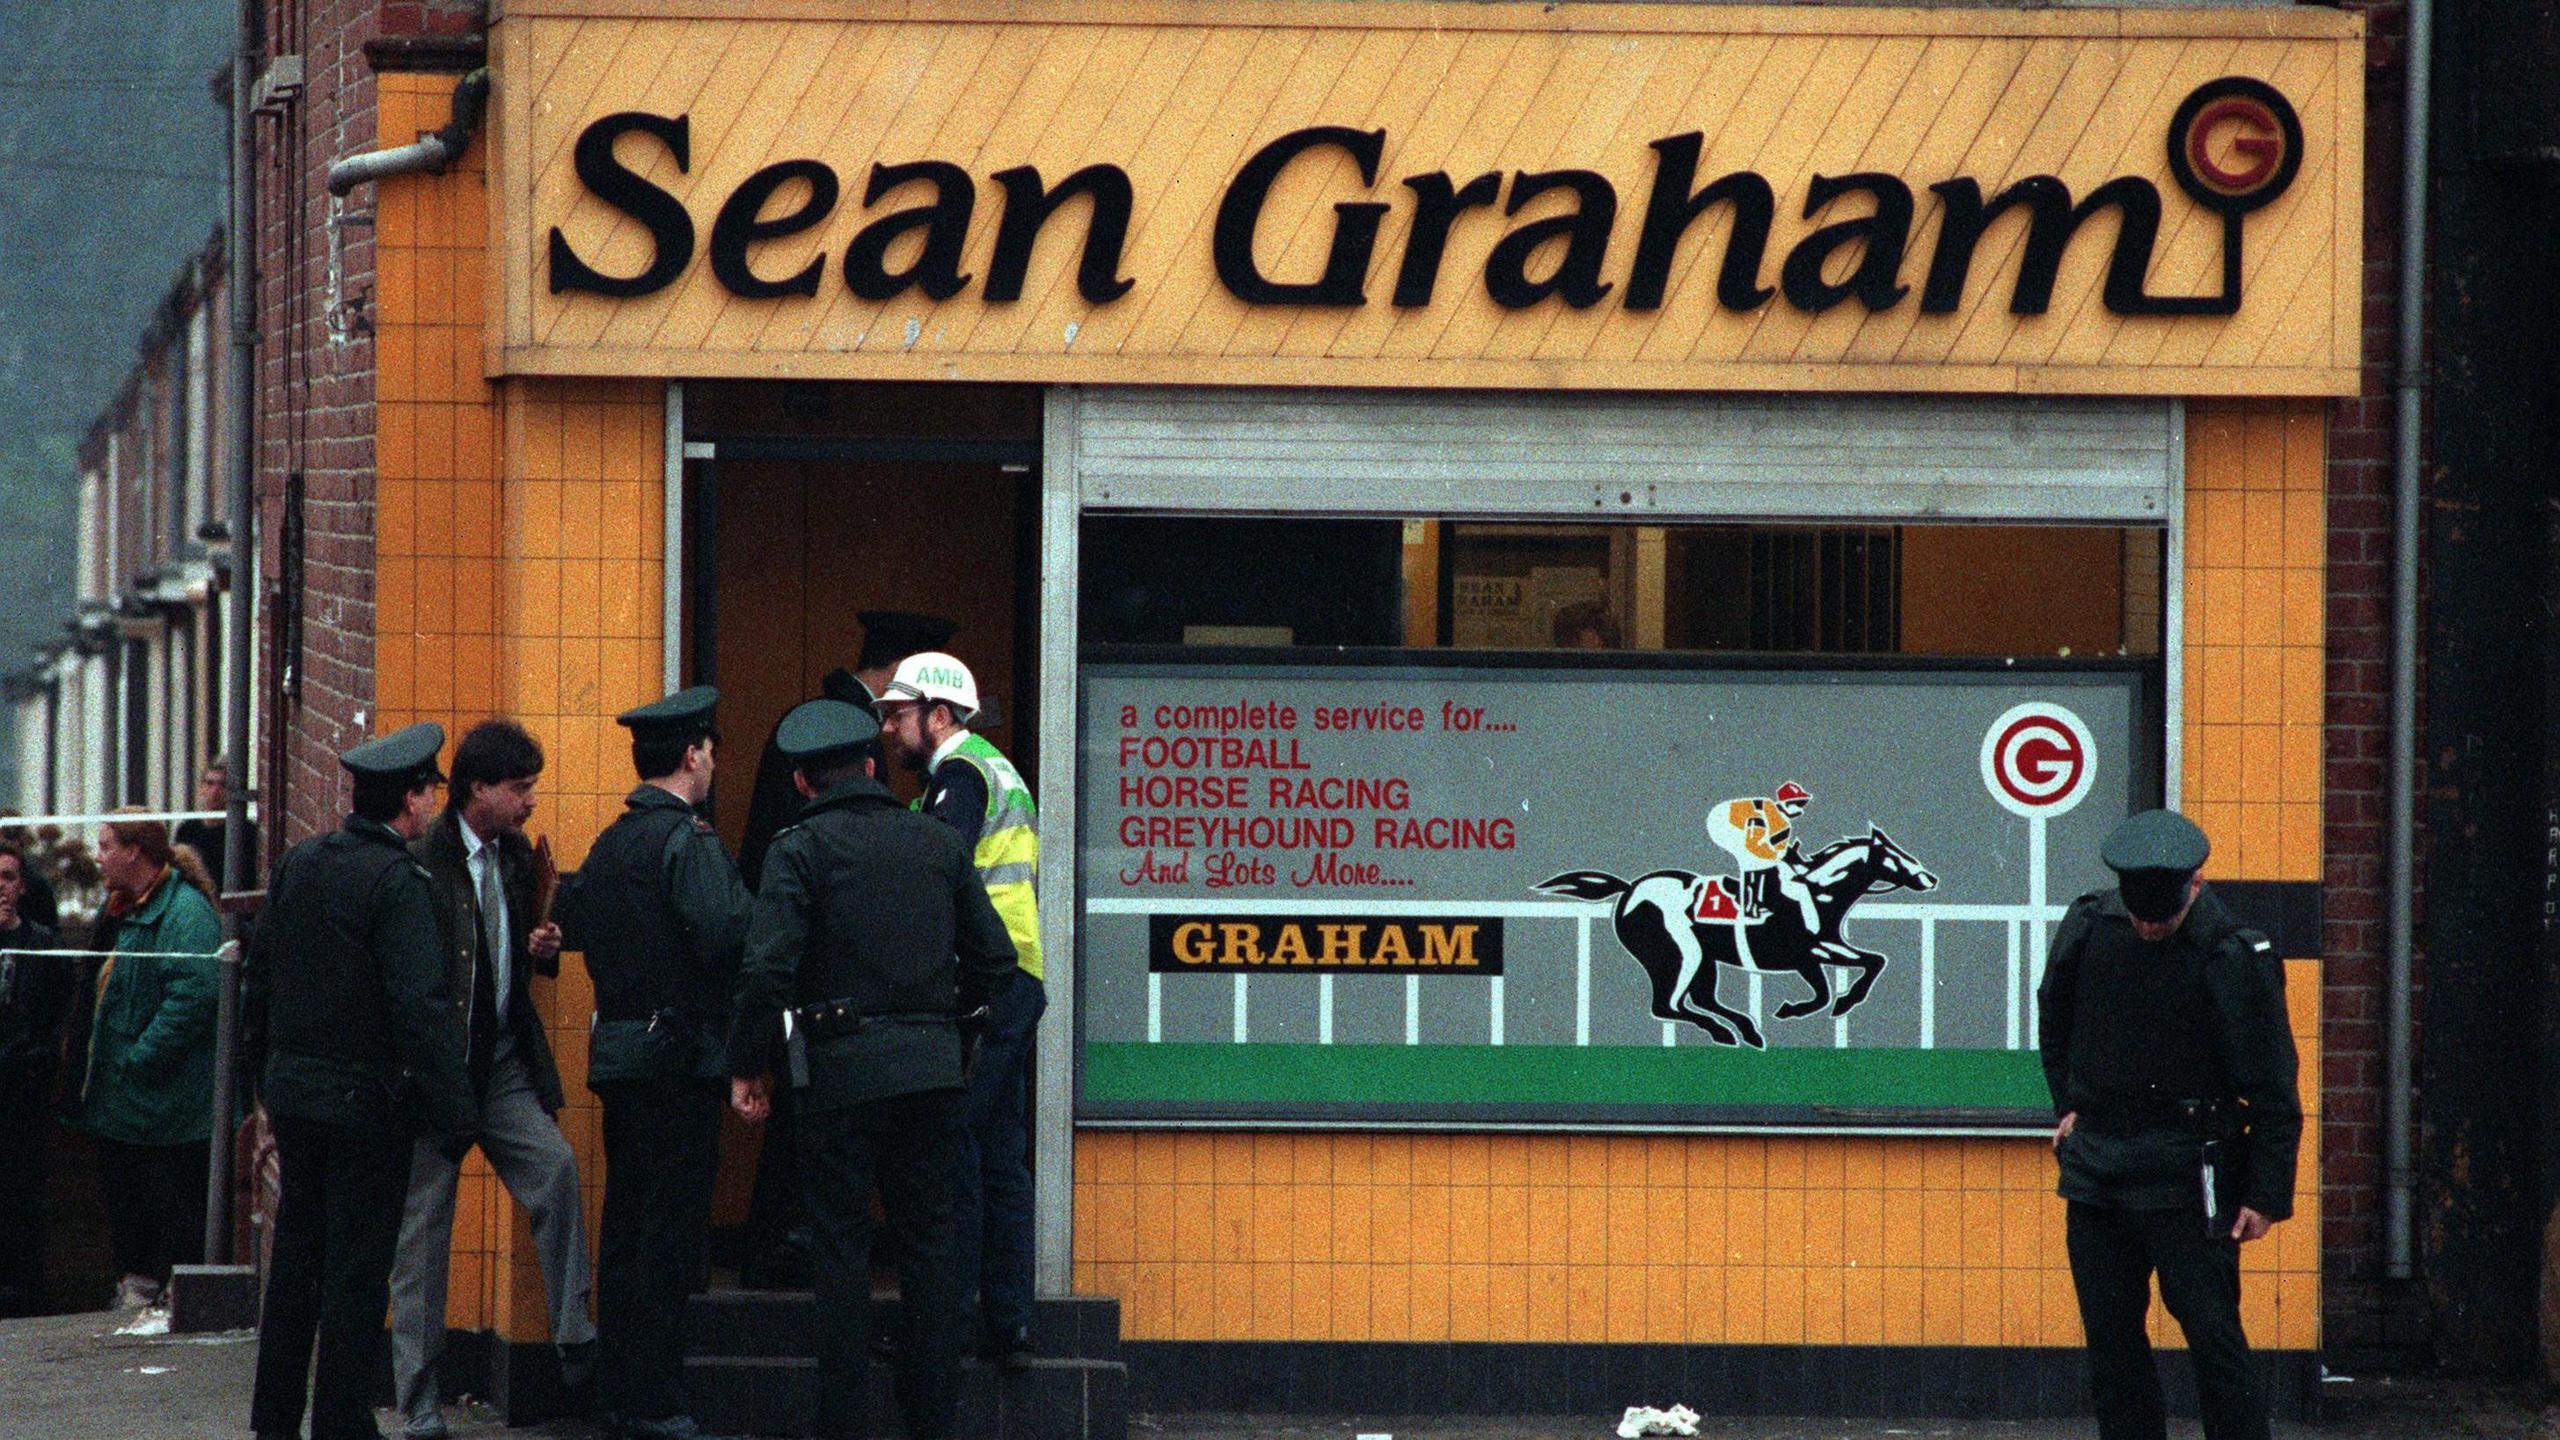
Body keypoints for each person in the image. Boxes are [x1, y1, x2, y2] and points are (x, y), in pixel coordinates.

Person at [727, 699, 1015, 1440]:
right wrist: (955, 1036)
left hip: (838, 1079)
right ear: (868, 766)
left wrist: (749, 1065)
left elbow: (766, 968)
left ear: (800, 782)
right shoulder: (936, 843)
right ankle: (932, 1421)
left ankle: (843, 1423)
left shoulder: (798, 850)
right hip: (930, 1073)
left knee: (842, 1250)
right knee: (929, 1242)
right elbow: (995, 960)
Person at [2035, 809, 2302, 1440]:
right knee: (2111, 1344)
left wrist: (2264, 1195)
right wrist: (2067, 1106)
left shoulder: (2232, 953)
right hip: (2099, 1167)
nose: (2150, 928)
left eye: (2164, 917)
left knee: (2214, 1340)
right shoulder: (2090, 926)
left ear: (2197, 887)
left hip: (2189, 1170)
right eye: (2139, 916)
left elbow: (2271, 1080)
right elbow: (2055, 1017)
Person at [245, 723, 476, 1440]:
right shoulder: (401, 884)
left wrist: (264, 1088)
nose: (433, 801)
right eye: (429, 789)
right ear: (410, 799)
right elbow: (421, 1009)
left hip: (296, 1098)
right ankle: (342, 1420)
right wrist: (457, 1113)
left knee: (295, 1262)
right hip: (366, 1110)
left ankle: (276, 1418)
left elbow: (261, 980)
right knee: (355, 1271)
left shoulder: (300, 864)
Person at [735, 609, 958, 1292]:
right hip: (831, 960)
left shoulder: (820, 722)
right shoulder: (841, 726)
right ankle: (781, 1243)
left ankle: (786, 1243)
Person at [391, 719, 596, 1439]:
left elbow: (513, 953)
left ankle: (574, 1333)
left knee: (557, 1167)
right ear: (478, 789)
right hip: (441, 1074)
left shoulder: (513, 859)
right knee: (425, 1236)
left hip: (503, 1060)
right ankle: (418, 1398)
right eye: (521, 788)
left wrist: (544, 947)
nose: (531, 801)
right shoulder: (423, 861)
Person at [555, 687, 751, 1440]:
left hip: (621, 1057)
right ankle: (657, 1401)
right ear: (694, 755)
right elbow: (728, 937)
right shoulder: (688, 843)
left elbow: (580, 928)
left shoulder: (612, 842)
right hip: (679, 1059)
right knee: (670, 1233)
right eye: (710, 750)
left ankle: (617, 1391)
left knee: (627, 1227)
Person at [874, 651, 1046, 1368]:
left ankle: (950, 1326)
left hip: (987, 984)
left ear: (939, 714)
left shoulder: (961, 774)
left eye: (899, 713)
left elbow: (938, 867)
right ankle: (1005, 1325)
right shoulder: (991, 769)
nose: (888, 729)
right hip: (1016, 978)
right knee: (999, 1156)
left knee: (956, 1155)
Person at [64, 814, 224, 1311]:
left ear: (135, 851)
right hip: (127, 1100)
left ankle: (162, 1291)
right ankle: (138, 1284)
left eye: (107, 845)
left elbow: (196, 994)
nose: (98, 855)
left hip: (166, 1103)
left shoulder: (184, 914)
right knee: (128, 1193)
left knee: (170, 1199)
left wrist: (142, 1059)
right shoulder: (123, 909)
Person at [0, 839, 70, 1317]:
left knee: (21, 1193)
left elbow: (57, 1014)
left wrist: (37, 1062)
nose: (0, 889)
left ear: (21, 886)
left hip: (22, 1093)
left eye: (7, 878)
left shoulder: (42, 944)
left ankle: (22, 1290)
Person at [1704, 781, 1816, 931]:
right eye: (1798, 803)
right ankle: (1749, 906)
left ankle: (1763, 901)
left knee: (1767, 862)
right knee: (1754, 860)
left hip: (1744, 831)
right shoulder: (1761, 815)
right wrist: (1774, 857)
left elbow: (1779, 851)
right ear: (1787, 803)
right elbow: (1754, 844)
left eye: (1802, 804)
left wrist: (1794, 862)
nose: (1800, 809)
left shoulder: (1783, 824)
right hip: (1721, 822)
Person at [174, 757, 259, 894]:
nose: (215, 791)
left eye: (222, 785)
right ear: (201, 788)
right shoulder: (187, 830)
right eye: (210, 783)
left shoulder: (246, 832)